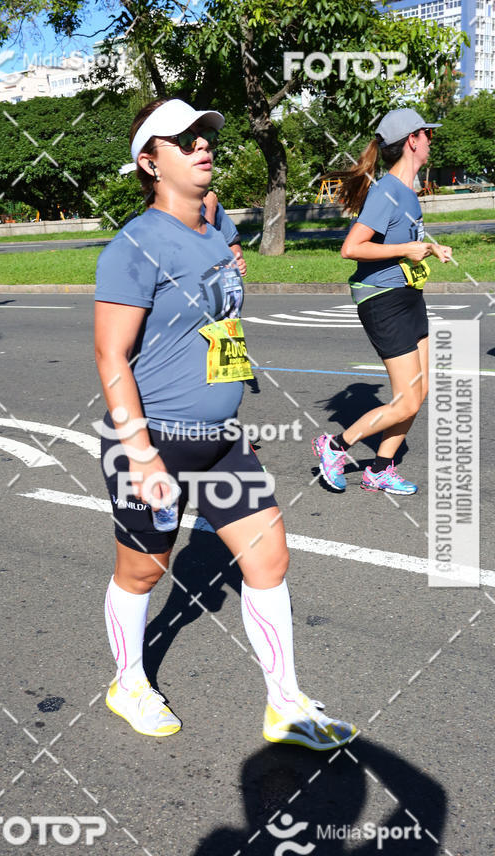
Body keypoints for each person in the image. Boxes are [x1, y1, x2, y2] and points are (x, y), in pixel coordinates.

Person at [94, 96, 357, 749]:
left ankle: (286, 705)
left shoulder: (213, 233)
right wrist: (143, 457)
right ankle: (128, 682)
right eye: (184, 140)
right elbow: (110, 354)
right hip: (154, 441)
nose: (203, 145)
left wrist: (232, 392)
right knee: (144, 573)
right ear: (150, 162)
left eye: (206, 135)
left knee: (268, 558)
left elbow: (218, 327)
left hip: (218, 444)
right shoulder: (135, 245)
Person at [312, 108, 452, 494]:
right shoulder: (388, 191)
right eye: (428, 135)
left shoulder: (408, 192)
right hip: (382, 298)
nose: (430, 142)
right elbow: (351, 248)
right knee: (406, 401)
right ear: (412, 140)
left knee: (417, 393)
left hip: (407, 293)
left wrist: (429, 247)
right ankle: (335, 446)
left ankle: (380, 469)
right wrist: (409, 248)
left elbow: (397, 243)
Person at [202, 188, 247, 277]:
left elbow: (232, 242)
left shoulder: (213, 204)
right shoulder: (175, 208)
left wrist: (237, 261)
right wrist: (210, 208)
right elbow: (202, 241)